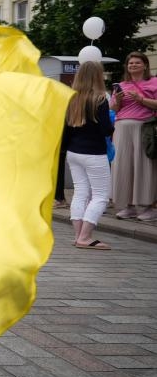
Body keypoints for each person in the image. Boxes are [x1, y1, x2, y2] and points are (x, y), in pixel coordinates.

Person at [64, 61, 114, 249]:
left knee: (80, 192)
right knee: (100, 195)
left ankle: (78, 236)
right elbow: (105, 130)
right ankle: (85, 237)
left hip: (74, 152)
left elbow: (66, 129)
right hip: (94, 152)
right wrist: (113, 113)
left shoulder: (72, 98)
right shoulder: (100, 98)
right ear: (97, 76)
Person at [110, 52, 157, 220]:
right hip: (122, 129)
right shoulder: (121, 85)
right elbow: (114, 109)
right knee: (124, 167)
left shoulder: (154, 82)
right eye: (130, 63)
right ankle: (128, 205)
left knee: (143, 166)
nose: (133, 65)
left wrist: (141, 99)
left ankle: (147, 207)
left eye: (137, 62)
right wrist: (118, 100)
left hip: (143, 128)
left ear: (145, 65)